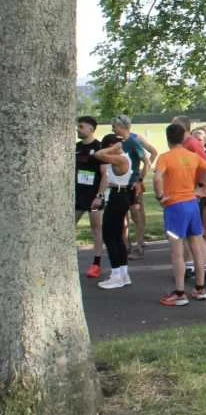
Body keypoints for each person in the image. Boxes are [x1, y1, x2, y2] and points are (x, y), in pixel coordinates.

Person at [155, 123, 206, 307]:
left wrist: (160, 196)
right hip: (192, 204)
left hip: (175, 206)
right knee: (196, 247)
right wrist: (203, 190)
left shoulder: (165, 157)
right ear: (184, 137)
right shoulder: (192, 156)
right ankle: (200, 289)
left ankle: (180, 293)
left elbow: (158, 177)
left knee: (177, 253)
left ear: (167, 138)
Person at [110, 114, 157, 258]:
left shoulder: (133, 141)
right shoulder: (115, 142)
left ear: (121, 127)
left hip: (132, 184)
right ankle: (126, 246)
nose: (112, 129)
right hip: (119, 185)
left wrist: (140, 179)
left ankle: (139, 246)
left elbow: (147, 161)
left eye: (114, 126)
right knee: (122, 217)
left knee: (136, 215)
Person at [92, 134, 134, 289]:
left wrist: (114, 147)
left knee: (110, 236)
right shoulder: (120, 158)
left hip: (118, 196)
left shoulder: (121, 158)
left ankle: (116, 275)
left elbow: (98, 155)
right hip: (118, 195)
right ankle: (123, 274)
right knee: (116, 236)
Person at [75, 116, 105, 278]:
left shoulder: (99, 148)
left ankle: (96, 264)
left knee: (96, 229)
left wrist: (99, 196)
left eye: (81, 127)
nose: (78, 129)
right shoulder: (76, 147)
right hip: (78, 196)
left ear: (91, 129)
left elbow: (105, 175)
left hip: (94, 197)